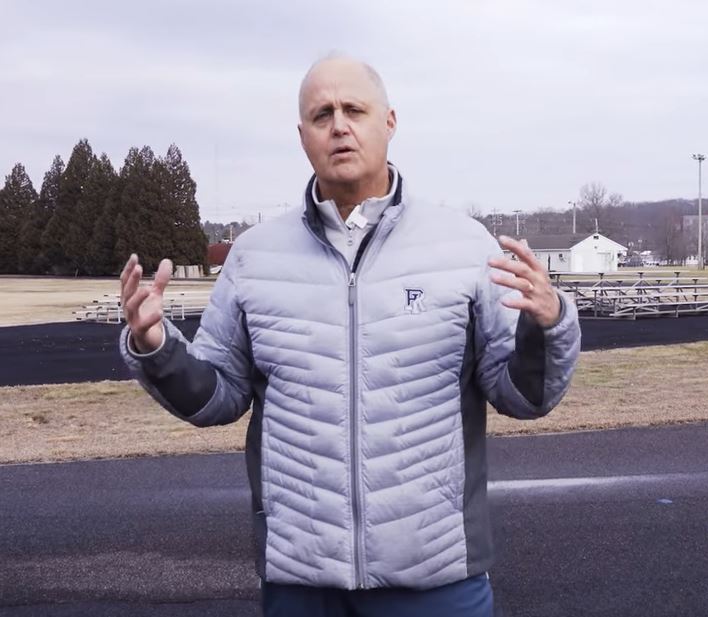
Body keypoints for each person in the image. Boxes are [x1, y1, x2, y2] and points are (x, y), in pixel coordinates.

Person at [119, 55, 581, 617]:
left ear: (388, 122)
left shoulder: (462, 246)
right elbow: (218, 395)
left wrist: (547, 322)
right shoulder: (255, 256)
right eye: (321, 114)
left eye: (354, 110)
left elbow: (523, 395)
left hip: (438, 579)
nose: (339, 125)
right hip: (300, 581)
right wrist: (156, 347)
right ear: (302, 136)